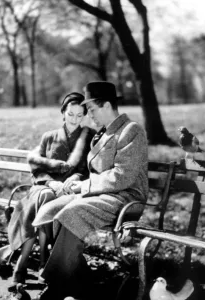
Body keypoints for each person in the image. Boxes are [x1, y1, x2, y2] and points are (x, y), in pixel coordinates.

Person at [32, 81, 149, 300]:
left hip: (127, 198)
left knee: (71, 213)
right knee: (49, 210)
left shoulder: (131, 130)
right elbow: (93, 171)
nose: (89, 115)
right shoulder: (104, 133)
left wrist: (84, 186)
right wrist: (78, 181)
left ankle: (57, 284)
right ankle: (80, 280)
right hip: (102, 195)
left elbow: (122, 176)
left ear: (106, 106)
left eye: (92, 109)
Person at [7, 92, 95, 290]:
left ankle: (25, 265)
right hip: (44, 187)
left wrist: (76, 178)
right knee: (44, 197)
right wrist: (49, 182)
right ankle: (41, 260)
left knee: (47, 202)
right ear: (63, 112)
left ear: (84, 116)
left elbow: (90, 169)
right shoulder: (48, 137)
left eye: (80, 115)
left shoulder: (88, 138)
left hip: (71, 191)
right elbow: (37, 168)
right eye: (70, 114)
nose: (74, 119)